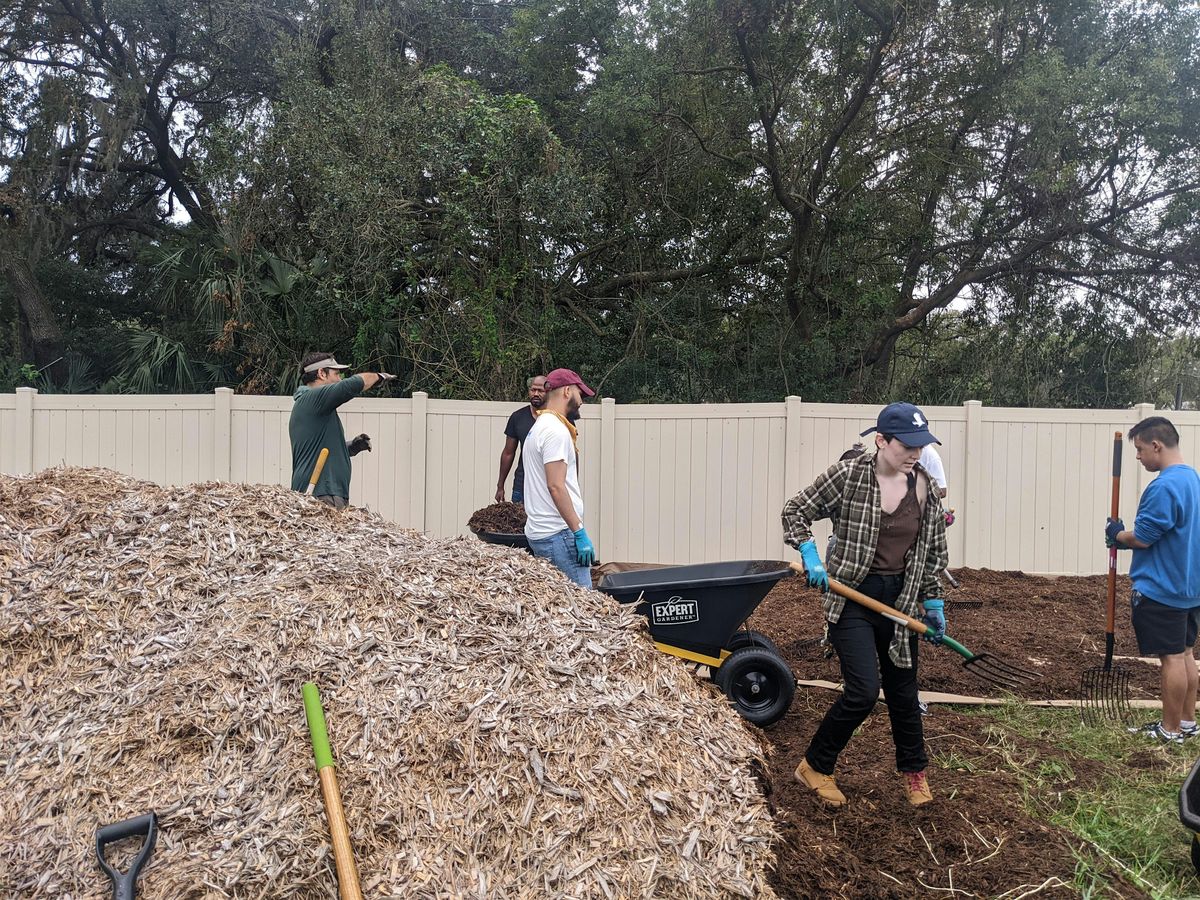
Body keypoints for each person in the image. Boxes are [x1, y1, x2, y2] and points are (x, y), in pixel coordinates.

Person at [782, 402, 949, 808]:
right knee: (862, 691)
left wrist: (933, 600)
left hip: (901, 600)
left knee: (903, 693)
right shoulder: (849, 475)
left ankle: (914, 774)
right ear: (881, 441)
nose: (915, 453)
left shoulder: (924, 484)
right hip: (852, 596)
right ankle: (815, 766)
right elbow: (795, 510)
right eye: (906, 445)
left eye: (921, 444)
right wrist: (809, 552)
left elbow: (931, 551)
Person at [1105, 416, 1200, 744]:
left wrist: (1118, 535)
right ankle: (1186, 723)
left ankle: (1170, 730)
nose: (1138, 456)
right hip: (1189, 586)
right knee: (1186, 654)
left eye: (1140, 449)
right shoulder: (1193, 479)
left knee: (1172, 658)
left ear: (1156, 446)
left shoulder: (1164, 486)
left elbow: (1144, 537)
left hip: (1164, 587)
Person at [522, 368, 596, 588]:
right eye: (579, 393)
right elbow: (556, 486)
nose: (581, 401)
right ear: (566, 391)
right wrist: (579, 532)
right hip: (558, 535)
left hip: (544, 533)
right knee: (582, 607)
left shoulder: (538, 427)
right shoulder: (556, 431)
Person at [289, 352, 393, 507]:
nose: (339, 378)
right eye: (336, 373)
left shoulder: (312, 406)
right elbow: (351, 385)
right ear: (321, 373)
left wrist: (350, 447)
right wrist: (379, 377)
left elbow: (319, 450)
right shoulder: (313, 398)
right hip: (320, 493)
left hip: (323, 492)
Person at [495, 375, 547, 504]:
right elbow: (508, 453)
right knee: (519, 524)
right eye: (533, 390)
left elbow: (572, 454)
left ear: (549, 392)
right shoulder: (517, 417)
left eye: (540, 391)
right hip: (522, 486)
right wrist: (500, 485)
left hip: (549, 487)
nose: (536, 394)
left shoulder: (560, 419)